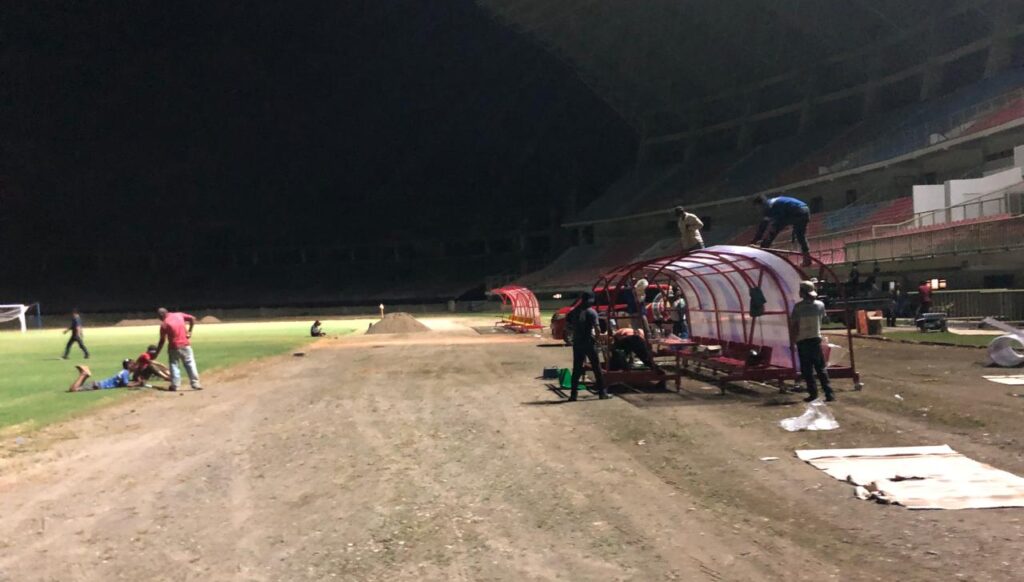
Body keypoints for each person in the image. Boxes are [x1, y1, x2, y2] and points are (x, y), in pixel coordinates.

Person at [790, 280, 834, 402]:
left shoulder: (798, 307)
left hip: (802, 341)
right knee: (821, 368)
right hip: (815, 339)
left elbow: (794, 326)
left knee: (807, 369)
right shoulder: (820, 305)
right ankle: (829, 393)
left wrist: (792, 341)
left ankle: (813, 394)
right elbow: (825, 319)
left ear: (802, 292)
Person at [567, 291, 609, 401]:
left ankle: (573, 395)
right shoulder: (592, 312)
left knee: (577, 369)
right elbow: (597, 329)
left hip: (577, 343)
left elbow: (569, 325)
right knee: (596, 368)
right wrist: (600, 338)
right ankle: (602, 393)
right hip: (589, 342)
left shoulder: (574, 311)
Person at [752, 194, 812, 266]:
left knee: (775, 227)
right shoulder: (769, 206)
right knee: (800, 236)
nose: (758, 210)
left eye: (758, 208)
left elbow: (777, 219)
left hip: (798, 211)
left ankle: (765, 249)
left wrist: (761, 241)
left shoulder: (770, 206)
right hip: (804, 210)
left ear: (762, 204)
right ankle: (807, 259)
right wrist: (754, 241)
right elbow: (762, 226)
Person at [154, 307, 202, 391]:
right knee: (190, 364)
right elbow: (192, 318)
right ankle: (195, 383)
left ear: (162, 315)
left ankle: (175, 385)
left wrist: (157, 353)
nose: (159, 318)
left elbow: (162, 340)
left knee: (174, 365)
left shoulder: (164, 324)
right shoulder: (179, 315)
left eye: (159, 316)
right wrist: (189, 331)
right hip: (186, 345)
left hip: (174, 347)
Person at [67, 360, 143, 392]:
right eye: (134, 364)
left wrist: (136, 383)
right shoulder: (125, 373)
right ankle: (84, 374)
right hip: (98, 386)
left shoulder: (124, 373)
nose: (136, 366)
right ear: (129, 366)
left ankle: (85, 374)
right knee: (73, 389)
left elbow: (124, 384)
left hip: (97, 385)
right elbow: (126, 385)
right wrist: (138, 383)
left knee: (75, 388)